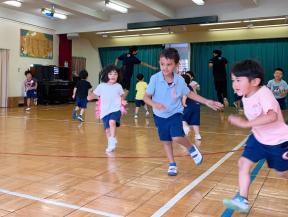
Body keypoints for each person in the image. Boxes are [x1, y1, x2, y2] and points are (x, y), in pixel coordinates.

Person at [223, 60, 288, 213]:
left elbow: (272, 116)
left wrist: (247, 124)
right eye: (233, 80)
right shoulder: (246, 96)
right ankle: (243, 199)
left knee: (282, 172)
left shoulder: (264, 93)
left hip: (279, 140)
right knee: (243, 164)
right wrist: (252, 126)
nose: (234, 84)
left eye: (239, 80)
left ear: (255, 81)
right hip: (258, 137)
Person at [143, 48, 222, 176]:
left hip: (175, 113)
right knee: (167, 141)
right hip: (159, 115)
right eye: (162, 64)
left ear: (176, 65)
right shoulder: (155, 78)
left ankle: (191, 148)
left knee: (176, 136)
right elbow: (146, 97)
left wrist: (206, 101)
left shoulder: (179, 80)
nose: (165, 67)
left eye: (169, 64)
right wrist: (154, 104)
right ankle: (172, 164)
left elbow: (189, 93)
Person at [87, 65, 127, 153]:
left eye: (115, 74)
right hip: (105, 110)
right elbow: (94, 94)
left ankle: (113, 141)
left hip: (116, 108)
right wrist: (90, 98)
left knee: (112, 122)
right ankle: (110, 144)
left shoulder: (118, 86)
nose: (113, 76)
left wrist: (122, 101)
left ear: (118, 76)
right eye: (110, 74)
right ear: (106, 75)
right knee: (107, 130)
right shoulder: (101, 86)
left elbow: (121, 96)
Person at [181, 75, 201, 140]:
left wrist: (183, 101)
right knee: (194, 122)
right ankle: (198, 135)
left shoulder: (184, 86)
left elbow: (185, 94)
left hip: (188, 104)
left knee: (182, 118)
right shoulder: (190, 86)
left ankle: (186, 129)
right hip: (196, 105)